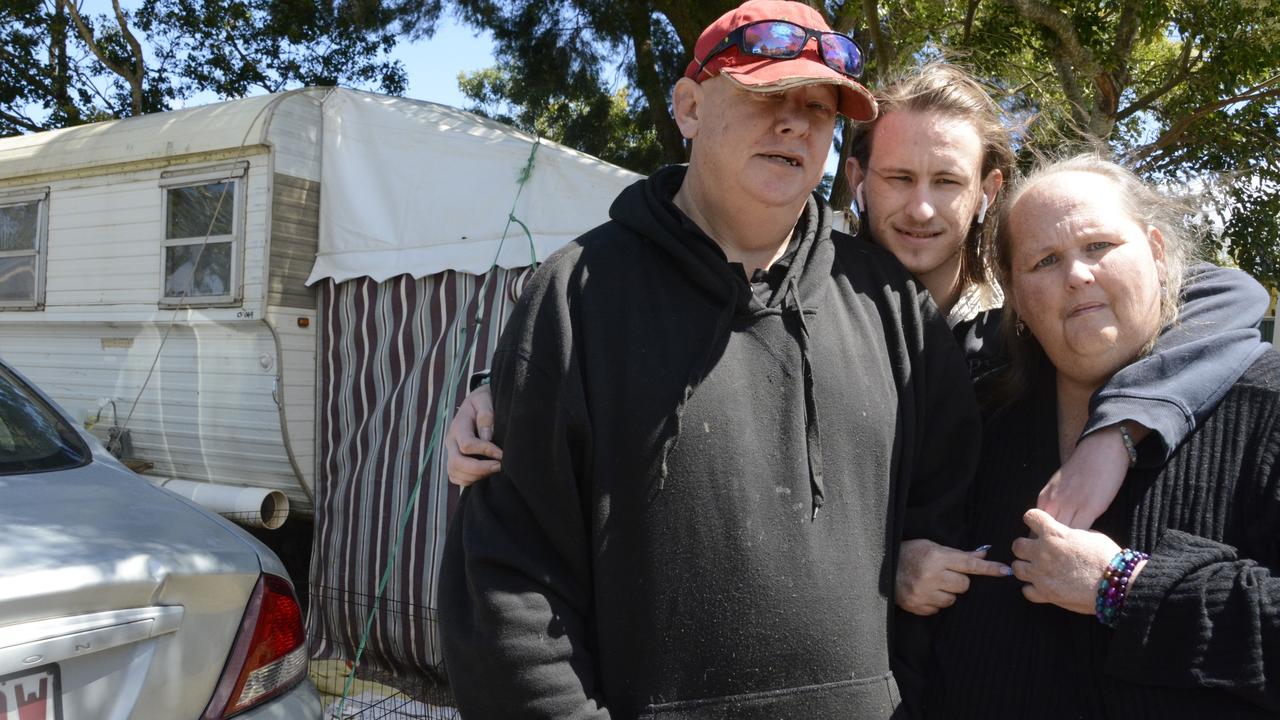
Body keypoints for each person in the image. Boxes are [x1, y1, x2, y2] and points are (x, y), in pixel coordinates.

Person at [446, 62, 1271, 617]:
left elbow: (1219, 293)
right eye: (898, 180)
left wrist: (1122, 429)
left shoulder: (1019, 319)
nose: (919, 210)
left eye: (946, 182)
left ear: (986, 191)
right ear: (856, 179)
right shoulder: (788, 295)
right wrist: (509, 388)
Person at [437, 2, 982, 718]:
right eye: (767, 95)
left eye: (819, 109)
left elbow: (946, 536)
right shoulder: (576, 298)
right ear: (690, 107)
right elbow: (506, 590)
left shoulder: (890, 308)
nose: (796, 123)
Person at [926, 155, 1280, 718]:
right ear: (1015, 296)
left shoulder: (1265, 406)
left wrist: (1128, 588)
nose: (1077, 275)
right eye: (1044, 260)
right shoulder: (981, 418)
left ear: (1158, 254)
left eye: (1099, 247)